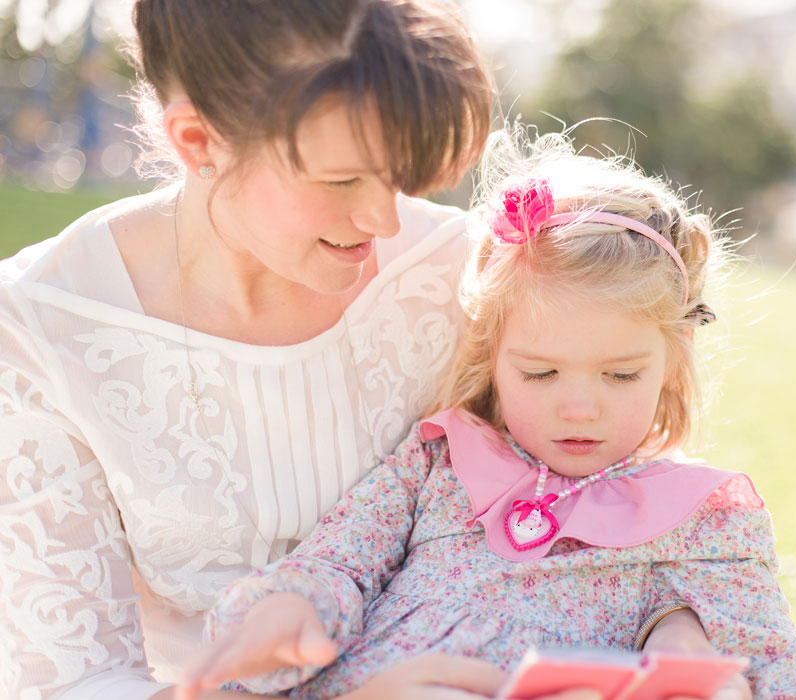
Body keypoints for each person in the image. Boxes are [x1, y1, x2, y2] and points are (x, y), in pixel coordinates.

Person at [0, 2, 708, 698]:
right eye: (341, 181)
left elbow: (595, 460)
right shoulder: (39, 326)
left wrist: (676, 614)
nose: (383, 218)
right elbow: (74, 680)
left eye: (400, 172)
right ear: (198, 140)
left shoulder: (453, 270)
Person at [177, 130, 796, 700]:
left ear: (674, 359)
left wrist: (689, 643)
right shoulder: (441, 460)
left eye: (621, 375)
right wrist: (294, 609)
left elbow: (776, 662)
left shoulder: (705, 518)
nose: (579, 405)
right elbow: (343, 559)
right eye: (540, 372)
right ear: (491, 356)